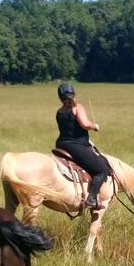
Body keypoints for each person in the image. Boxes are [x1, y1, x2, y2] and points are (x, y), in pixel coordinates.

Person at [54, 82, 109, 211]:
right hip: (75, 146)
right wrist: (95, 126)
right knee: (102, 170)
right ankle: (92, 198)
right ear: (73, 94)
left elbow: (70, 129)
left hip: (61, 144)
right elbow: (84, 124)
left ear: (60, 97)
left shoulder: (59, 112)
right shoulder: (78, 107)